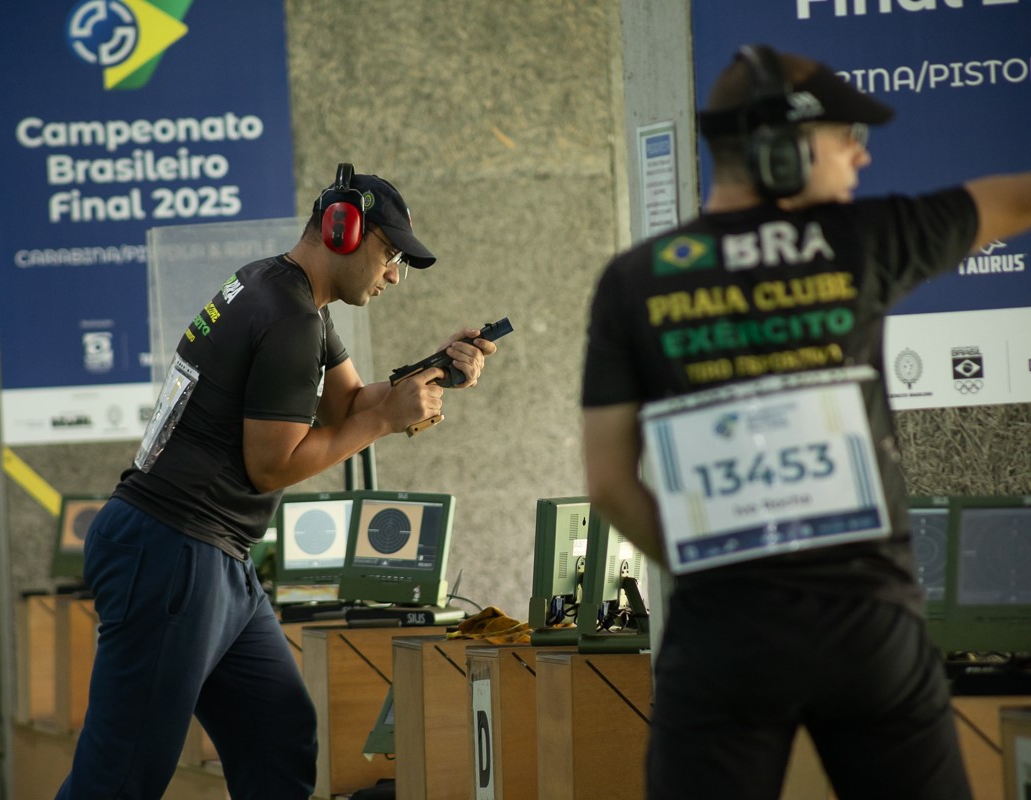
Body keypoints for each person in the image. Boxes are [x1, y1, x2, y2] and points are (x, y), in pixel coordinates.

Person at [581, 44, 1031, 800]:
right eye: (846, 137)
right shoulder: (861, 239)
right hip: (870, 631)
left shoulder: (634, 280)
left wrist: (712, 569)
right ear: (781, 149)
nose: (860, 155)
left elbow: (608, 483)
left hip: (722, 637)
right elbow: (1016, 201)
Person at [56, 165, 497, 799]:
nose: (394, 275)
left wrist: (431, 371)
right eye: (391, 254)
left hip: (205, 553)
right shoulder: (289, 317)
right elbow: (273, 463)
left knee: (276, 736)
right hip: (175, 550)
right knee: (120, 778)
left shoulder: (280, 290)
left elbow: (347, 405)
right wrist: (386, 421)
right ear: (343, 231)